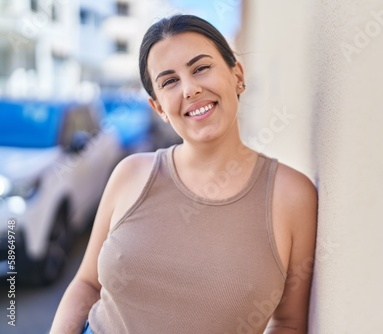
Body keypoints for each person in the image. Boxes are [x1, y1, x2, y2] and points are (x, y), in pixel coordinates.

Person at [50, 14, 317, 334]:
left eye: (201, 68)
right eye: (170, 81)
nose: (190, 89)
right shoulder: (130, 174)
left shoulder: (290, 196)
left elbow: (288, 323)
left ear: (238, 75)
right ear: (159, 107)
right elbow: (86, 283)